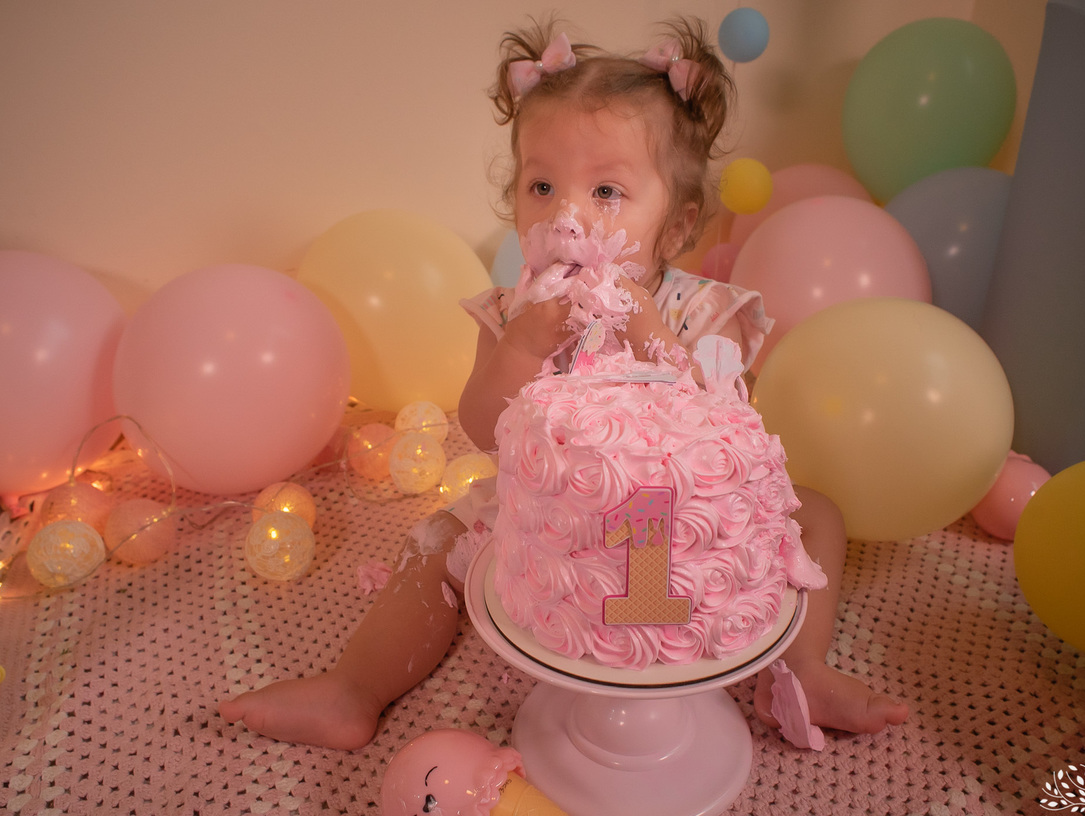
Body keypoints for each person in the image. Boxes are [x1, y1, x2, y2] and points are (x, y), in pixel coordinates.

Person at [220, 17, 908, 751]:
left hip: (669, 519)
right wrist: (521, 345)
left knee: (820, 517)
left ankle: (801, 671)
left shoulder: (705, 310)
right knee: (435, 543)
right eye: (542, 185)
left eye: (606, 190)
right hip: (547, 519)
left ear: (675, 227)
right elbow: (484, 426)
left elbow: (721, 424)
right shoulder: (515, 312)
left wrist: (645, 328)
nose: (567, 213)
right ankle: (352, 689)